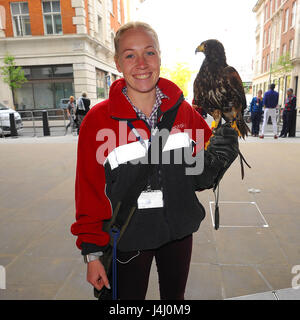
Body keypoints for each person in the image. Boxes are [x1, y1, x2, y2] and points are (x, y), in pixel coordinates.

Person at [70, 22, 238, 300]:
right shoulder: (98, 122)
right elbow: (88, 192)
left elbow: (200, 173)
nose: (141, 63)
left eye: (149, 52)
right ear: (117, 62)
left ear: (160, 56)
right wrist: (92, 253)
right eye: (130, 55)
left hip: (179, 233)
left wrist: (224, 146)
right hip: (129, 236)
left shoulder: (183, 112)